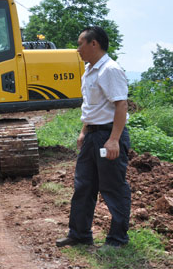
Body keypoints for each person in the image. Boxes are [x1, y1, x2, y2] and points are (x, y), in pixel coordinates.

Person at [56, 26, 130, 250]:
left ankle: (117, 240)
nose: (78, 49)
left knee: (113, 187)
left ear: (94, 44)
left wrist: (114, 139)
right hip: (92, 136)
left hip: (109, 136)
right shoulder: (89, 70)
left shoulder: (110, 69)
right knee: (84, 186)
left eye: (80, 43)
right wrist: (83, 130)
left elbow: (121, 105)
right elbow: (92, 106)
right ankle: (79, 234)